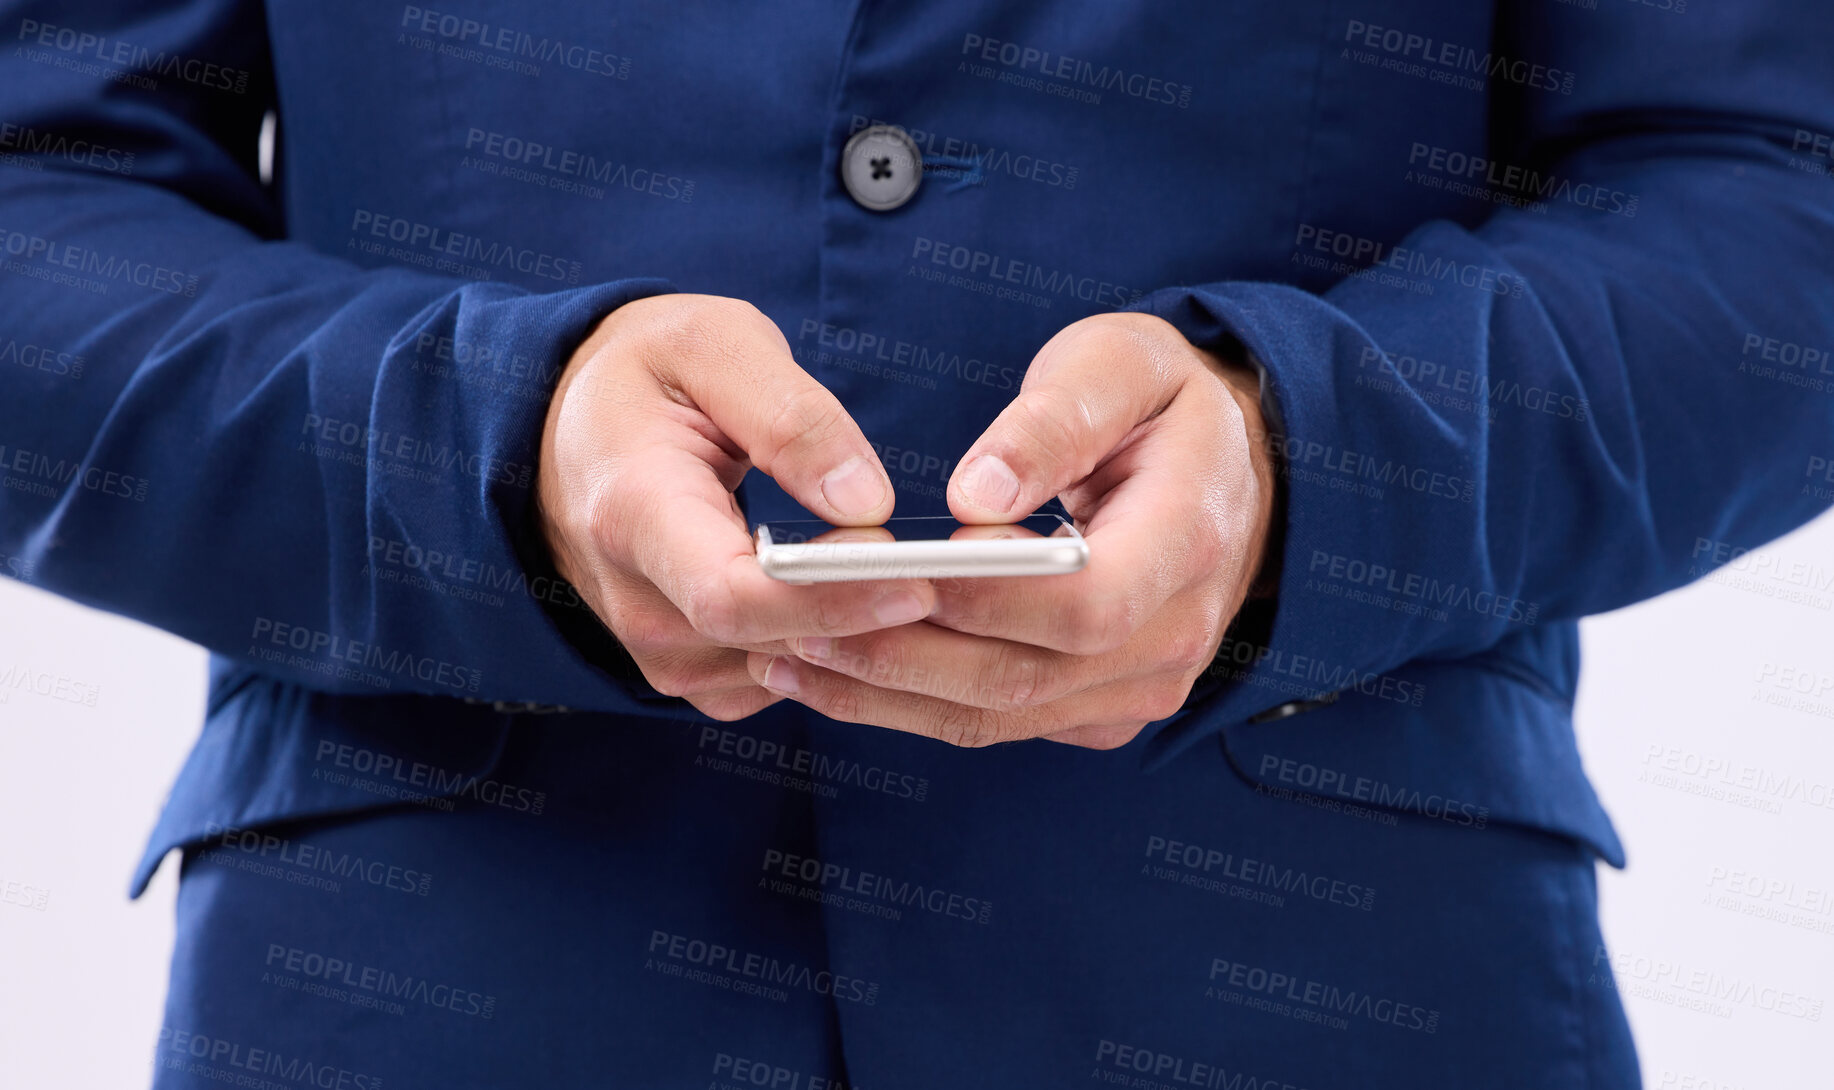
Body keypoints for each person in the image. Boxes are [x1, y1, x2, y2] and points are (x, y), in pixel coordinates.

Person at [3, 1, 1830, 1085]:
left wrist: (1308, 456)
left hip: (1324, 987)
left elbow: (1770, 186)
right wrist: (492, 441)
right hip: (438, 985)